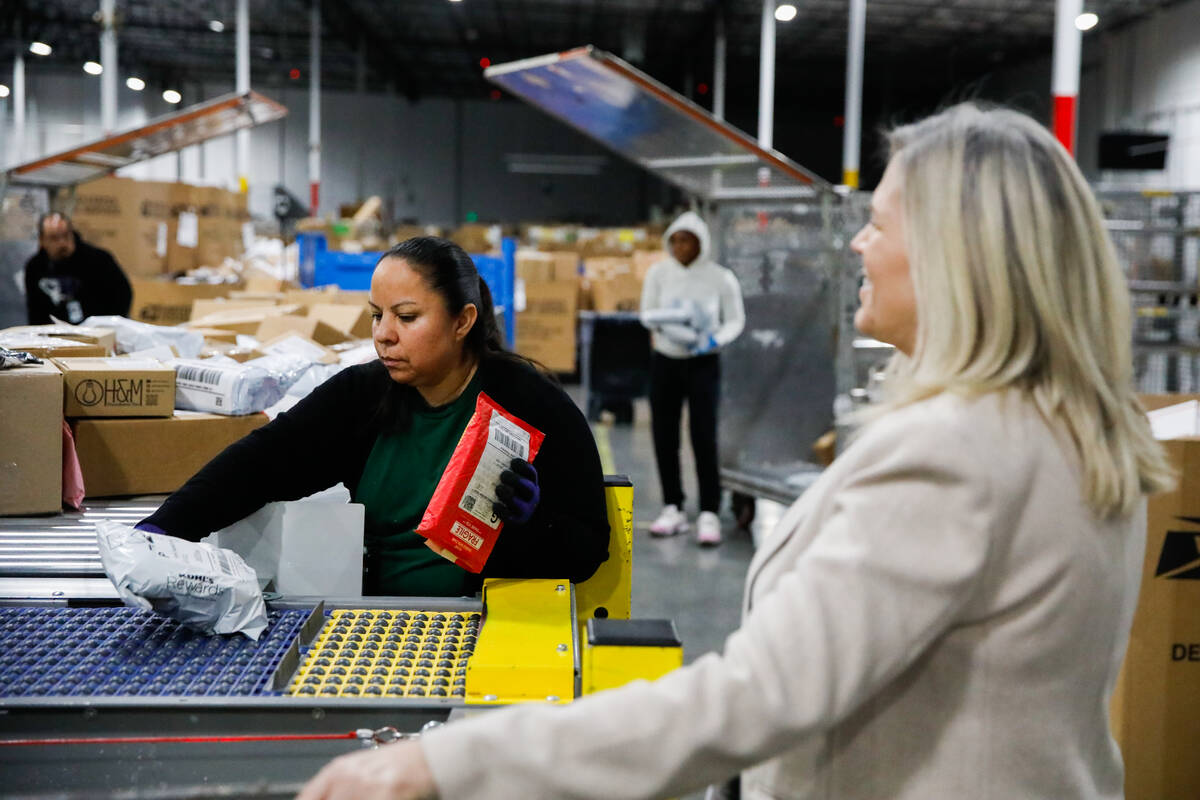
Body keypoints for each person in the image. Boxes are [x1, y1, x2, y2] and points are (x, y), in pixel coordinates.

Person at [296, 103, 1174, 800]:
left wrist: (450, 765)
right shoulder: (1061, 423)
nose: (859, 242)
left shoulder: (961, 453)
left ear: (960, 256)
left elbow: (762, 694)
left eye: (880, 223)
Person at [138, 237, 610, 596]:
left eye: (406, 317)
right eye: (376, 314)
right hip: (374, 614)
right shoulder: (364, 395)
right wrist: (164, 530)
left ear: (463, 321)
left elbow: (589, 551)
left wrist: (535, 522)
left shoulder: (531, 405)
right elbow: (262, 463)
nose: (383, 335)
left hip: (485, 622)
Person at [639, 211, 745, 546]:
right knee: (664, 435)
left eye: (688, 240)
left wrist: (714, 339)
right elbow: (647, 314)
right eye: (676, 240)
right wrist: (672, 325)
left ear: (702, 243)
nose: (681, 246)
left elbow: (735, 320)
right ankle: (673, 506)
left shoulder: (720, 278)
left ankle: (709, 511)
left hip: (703, 364)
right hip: (666, 361)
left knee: (703, 435)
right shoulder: (659, 274)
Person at [24, 212, 132, 324]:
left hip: (97, 331)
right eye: (54, 238)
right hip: (55, 334)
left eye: (65, 236)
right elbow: (35, 310)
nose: (62, 243)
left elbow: (122, 296)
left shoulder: (99, 260)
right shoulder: (35, 268)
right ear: (42, 240)